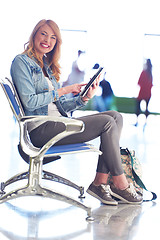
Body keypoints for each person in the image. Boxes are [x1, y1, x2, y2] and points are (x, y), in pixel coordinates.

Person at [10, 19, 142, 205]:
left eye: (53, 37)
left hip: (56, 124)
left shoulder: (47, 67)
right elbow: (30, 102)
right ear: (34, 35)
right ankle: (120, 184)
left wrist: (83, 98)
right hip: (40, 130)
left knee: (115, 116)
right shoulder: (21, 62)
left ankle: (100, 182)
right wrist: (62, 90)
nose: (48, 40)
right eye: (44, 34)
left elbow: (60, 106)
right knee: (107, 123)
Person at [135, 59, 153, 126]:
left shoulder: (144, 72)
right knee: (146, 109)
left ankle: (137, 121)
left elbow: (139, 83)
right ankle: (146, 122)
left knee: (138, 108)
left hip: (142, 93)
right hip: (148, 94)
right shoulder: (150, 74)